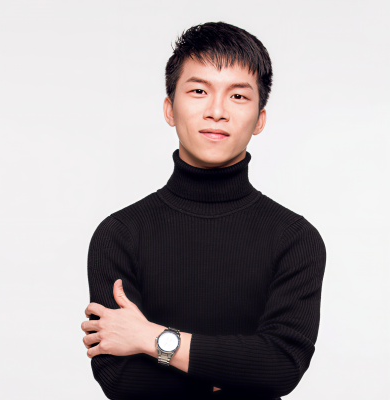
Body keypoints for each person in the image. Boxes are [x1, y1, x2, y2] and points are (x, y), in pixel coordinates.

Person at [81, 21, 326, 400]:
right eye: (198, 91)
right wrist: (233, 374)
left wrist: (151, 338)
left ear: (260, 119)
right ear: (169, 109)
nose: (216, 111)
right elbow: (120, 379)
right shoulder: (121, 233)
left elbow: (280, 367)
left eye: (238, 96)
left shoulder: (295, 239)